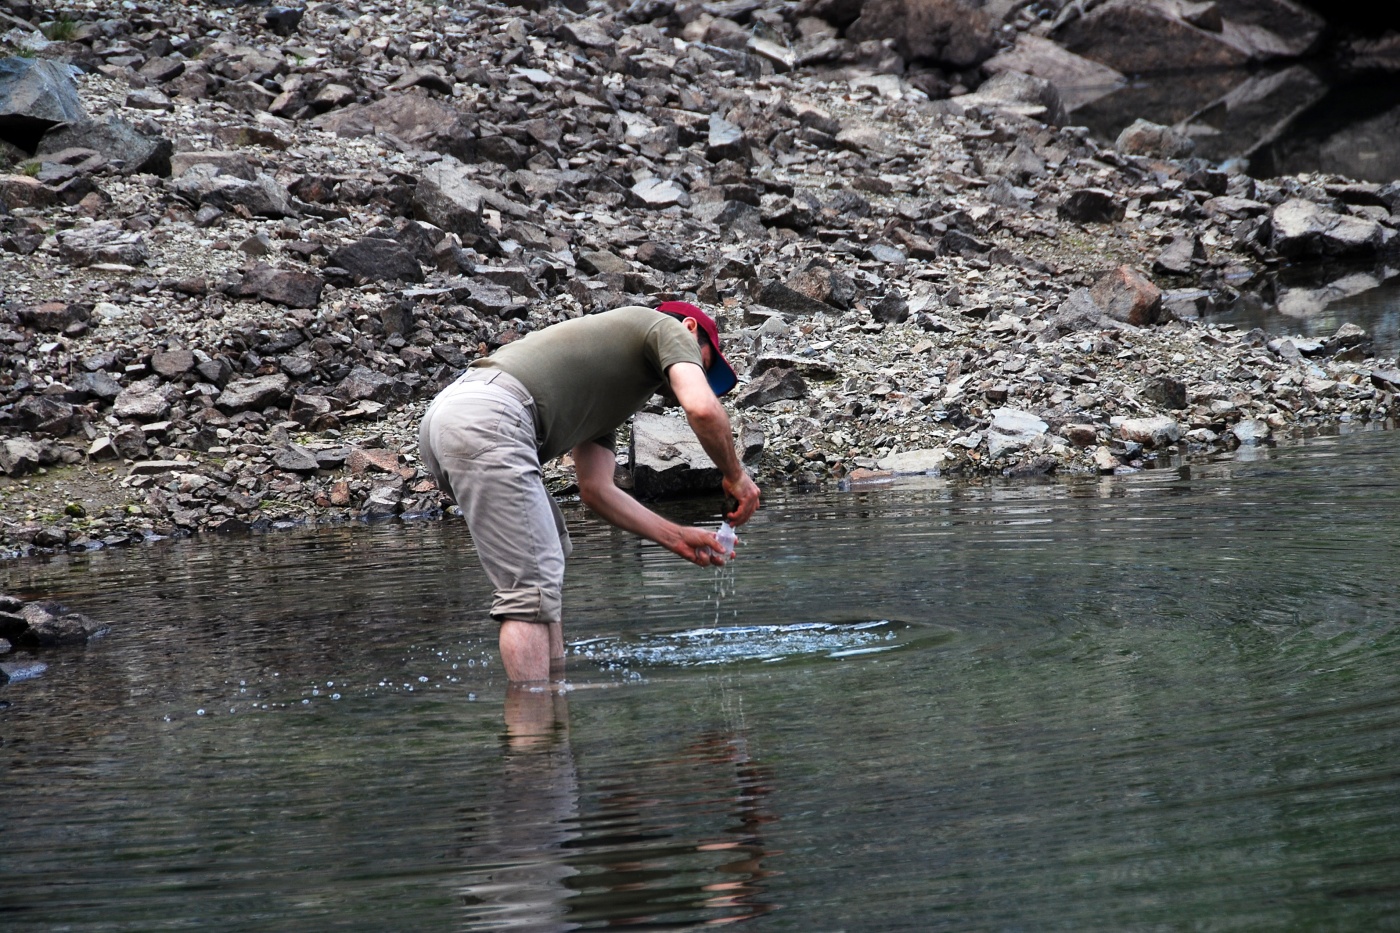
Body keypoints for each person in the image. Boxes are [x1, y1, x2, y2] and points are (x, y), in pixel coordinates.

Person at [419, 301, 761, 683]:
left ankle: (552, 701)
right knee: (529, 591)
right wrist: (736, 476)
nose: (701, 373)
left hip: (450, 417)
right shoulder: (664, 327)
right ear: (691, 328)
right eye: (705, 364)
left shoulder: (615, 383)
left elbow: (597, 490)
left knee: (548, 558)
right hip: (490, 416)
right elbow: (702, 408)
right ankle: (533, 716)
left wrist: (675, 536)